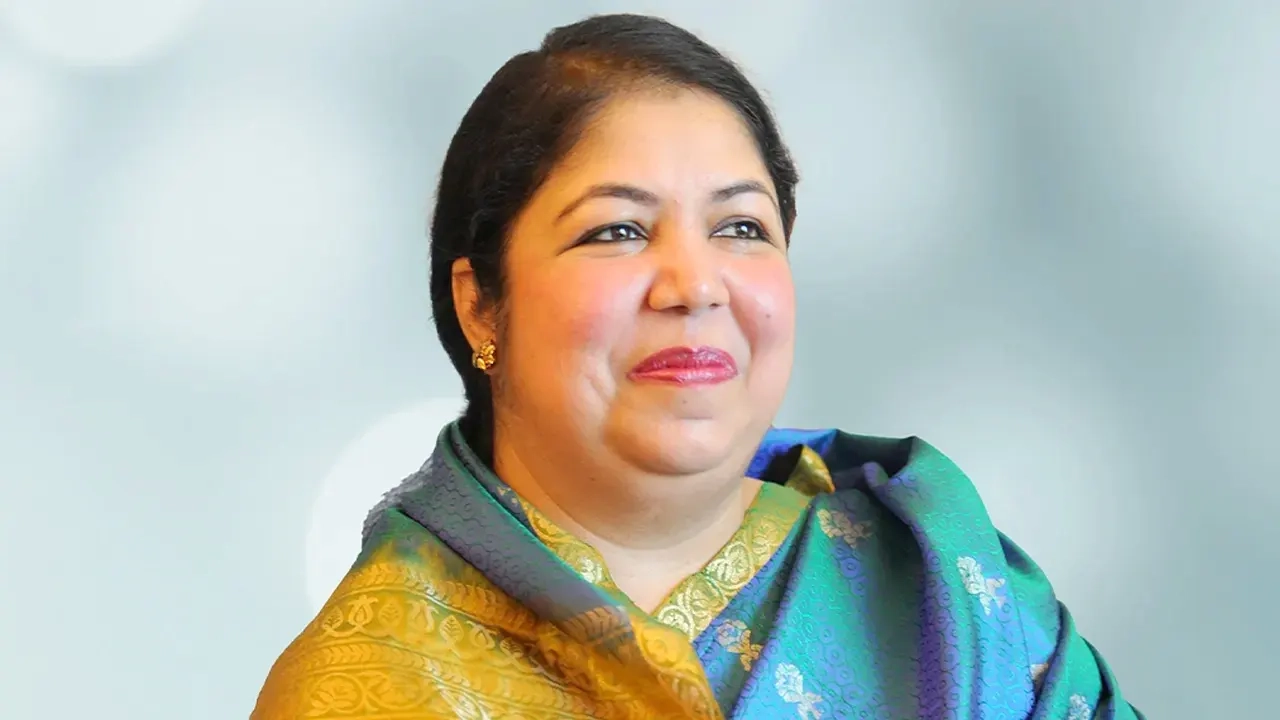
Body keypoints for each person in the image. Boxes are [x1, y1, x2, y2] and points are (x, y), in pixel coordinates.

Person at [252, 13, 1143, 719]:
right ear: (481, 303)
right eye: (617, 230)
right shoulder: (370, 682)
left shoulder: (947, 592)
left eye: (741, 227)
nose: (695, 284)